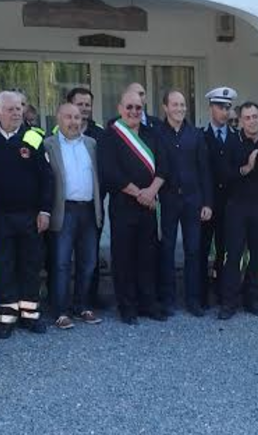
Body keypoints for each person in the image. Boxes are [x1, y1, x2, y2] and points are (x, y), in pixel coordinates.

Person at [0, 90, 54, 337]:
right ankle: (5, 319)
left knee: (30, 265)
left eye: (19, 108)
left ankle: (30, 315)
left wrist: (45, 211)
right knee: (2, 265)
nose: (16, 112)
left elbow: (47, 179)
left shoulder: (35, 137)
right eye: (11, 109)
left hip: (29, 215)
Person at [98, 89, 168, 325]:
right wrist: (139, 193)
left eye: (138, 108)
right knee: (124, 258)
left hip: (149, 206)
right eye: (129, 107)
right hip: (123, 206)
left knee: (148, 257)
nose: (134, 112)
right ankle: (127, 307)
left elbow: (164, 168)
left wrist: (151, 192)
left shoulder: (152, 134)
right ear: (119, 108)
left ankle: (148, 303)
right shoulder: (110, 136)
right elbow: (110, 172)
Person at [44, 102, 103, 329]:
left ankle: (82, 306)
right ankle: (60, 311)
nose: (73, 122)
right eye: (68, 117)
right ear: (58, 119)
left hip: (88, 209)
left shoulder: (92, 144)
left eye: (77, 117)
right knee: (61, 263)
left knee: (88, 262)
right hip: (64, 210)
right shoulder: (48, 145)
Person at [157, 89, 213, 316]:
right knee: (166, 250)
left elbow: (205, 171)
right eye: (175, 104)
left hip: (193, 200)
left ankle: (193, 300)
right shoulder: (157, 133)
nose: (180, 108)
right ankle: (168, 299)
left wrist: (207, 203)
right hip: (167, 200)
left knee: (193, 251)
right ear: (165, 107)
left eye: (182, 105)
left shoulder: (196, 134)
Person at [218, 102, 258, 320]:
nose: (251, 121)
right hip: (237, 208)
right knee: (232, 257)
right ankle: (229, 303)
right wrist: (246, 169)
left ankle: (253, 301)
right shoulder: (232, 142)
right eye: (247, 118)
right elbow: (223, 176)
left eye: (254, 116)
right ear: (240, 121)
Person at [66, 86, 106, 307]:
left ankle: (90, 298)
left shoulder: (99, 134)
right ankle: (62, 301)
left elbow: (105, 169)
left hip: (93, 205)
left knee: (90, 256)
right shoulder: (57, 133)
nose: (84, 108)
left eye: (87, 104)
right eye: (79, 104)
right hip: (66, 207)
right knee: (63, 258)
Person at [200, 86, 239, 308]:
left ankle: (225, 296)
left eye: (227, 107)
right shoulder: (200, 136)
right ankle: (201, 297)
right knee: (202, 250)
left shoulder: (236, 137)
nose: (224, 111)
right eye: (219, 107)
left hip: (230, 205)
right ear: (210, 108)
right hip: (206, 204)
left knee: (227, 252)